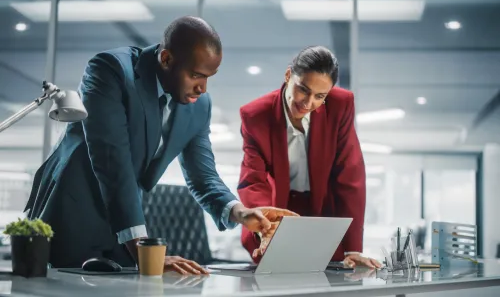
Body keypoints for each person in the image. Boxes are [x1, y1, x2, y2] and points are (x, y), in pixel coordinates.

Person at [24, 16, 296, 275]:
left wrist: (241, 212)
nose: (203, 88)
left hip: (124, 222)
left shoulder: (199, 106)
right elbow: (112, 162)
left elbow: (204, 176)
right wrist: (143, 249)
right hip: (73, 211)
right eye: (196, 75)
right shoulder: (111, 70)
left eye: (208, 77)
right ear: (166, 59)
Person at [237, 46, 381, 268]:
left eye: (320, 96)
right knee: (277, 274)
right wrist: (264, 226)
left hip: (324, 213)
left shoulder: (340, 105)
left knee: (328, 279)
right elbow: (254, 180)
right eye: (303, 89)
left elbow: (349, 176)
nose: (308, 103)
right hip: (278, 211)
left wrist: (353, 249)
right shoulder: (256, 116)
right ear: (288, 76)